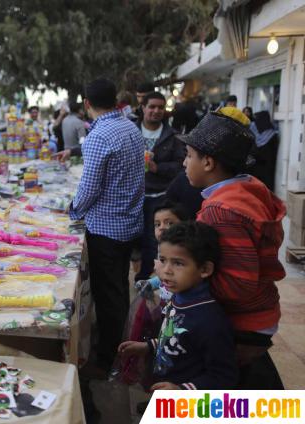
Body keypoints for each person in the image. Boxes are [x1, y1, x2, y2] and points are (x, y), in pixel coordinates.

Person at [181, 109, 285, 389]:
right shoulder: (249, 188)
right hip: (261, 313)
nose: (184, 162)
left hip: (244, 320)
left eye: (189, 155)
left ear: (208, 162)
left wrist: (188, 288)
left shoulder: (222, 210)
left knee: (224, 388)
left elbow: (238, 283)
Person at [69, 78, 145, 377]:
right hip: (127, 222)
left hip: (106, 228)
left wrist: (74, 209)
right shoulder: (130, 127)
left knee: (107, 293)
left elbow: (89, 187)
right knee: (117, 289)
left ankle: (112, 356)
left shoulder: (100, 134)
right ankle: (122, 343)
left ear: (87, 104)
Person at [119, 221, 237, 390]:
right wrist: (149, 346)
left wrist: (181, 390)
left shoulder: (210, 321)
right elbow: (176, 337)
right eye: (163, 260)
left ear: (204, 269)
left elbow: (224, 376)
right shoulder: (178, 297)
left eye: (178, 263)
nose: (166, 270)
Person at [135, 92, 185, 283]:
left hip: (159, 196)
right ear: (143, 108)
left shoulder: (172, 136)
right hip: (133, 194)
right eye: (152, 107)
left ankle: (145, 277)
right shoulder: (131, 131)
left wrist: (158, 168)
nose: (156, 111)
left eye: (160, 108)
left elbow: (181, 166)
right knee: (132, 237)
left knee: (153, 238)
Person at [134, 201, 190, 302]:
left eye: (169, 223)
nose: (162, 228)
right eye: (157, 224)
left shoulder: (187, 250)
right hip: (166, 302)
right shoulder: (161, 247)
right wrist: (150, 283)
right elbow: (165, 275)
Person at [249, 110, 279, 191]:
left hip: (265, 167)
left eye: (258, 119)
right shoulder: (255, 131)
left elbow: (270, 154)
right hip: (258, 167)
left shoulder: (272, 134)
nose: (256, 121)